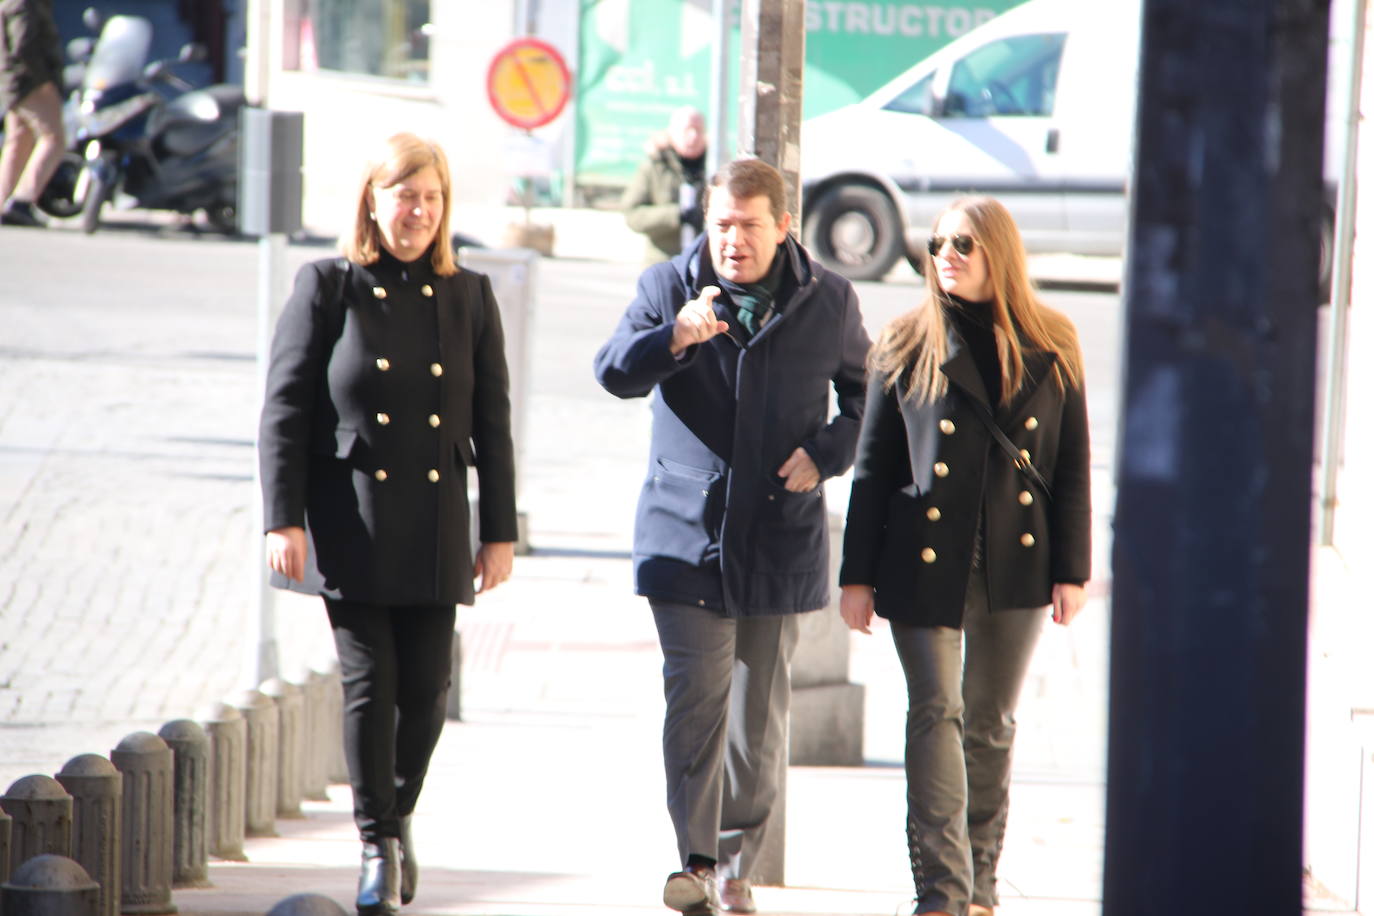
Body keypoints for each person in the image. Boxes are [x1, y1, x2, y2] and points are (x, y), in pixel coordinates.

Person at [595, 157, 871, 916]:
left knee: (757, 715)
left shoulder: (830, 300)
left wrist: (825, 455)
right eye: (720, 224)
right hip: (686, 537)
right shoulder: (667, 288)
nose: (732, 239)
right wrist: (673, 339)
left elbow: (867, 398)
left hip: (779, 536)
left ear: (783, 226)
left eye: (748, 225)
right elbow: (613, 371)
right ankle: (694, 861)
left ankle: (737, 864)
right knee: (697, 702)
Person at [258, 132, 517, 916]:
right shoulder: (327, 285)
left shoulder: (469, 295)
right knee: (371, 686)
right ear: (373, 201)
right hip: (353, 520)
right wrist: (283, 518)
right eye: (405, 196)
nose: (418, 211)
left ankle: (397, 815)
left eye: (431, 198)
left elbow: (494, 422)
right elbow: (286, 408)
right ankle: (374, 845)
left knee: (428, 694)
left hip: (437, 522)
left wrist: (497, 531)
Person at [838, 196, 1091, 916]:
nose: (945, 253)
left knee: (989, 725)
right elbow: (874, 468)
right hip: (924, 560)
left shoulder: (1055, 342)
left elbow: (1071, 465)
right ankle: (942, 892)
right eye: (938, 242)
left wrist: (1072, 569)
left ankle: (981, 884)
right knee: (934, 712)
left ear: (999, 255)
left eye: (964, 244)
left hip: (1017, 565)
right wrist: (856, 576)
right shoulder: (903, 341)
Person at [0, 0, 66, 227]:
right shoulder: (25, 3)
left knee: (18, 141)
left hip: (10, 80)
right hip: (29, 80)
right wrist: (44, 81)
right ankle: (22, 201)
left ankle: (4, 201)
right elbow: (23, 46)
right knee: (53, 138)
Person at [622, 106, 707, 265]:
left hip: (703, 265)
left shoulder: (714, 167)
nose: (693, 136)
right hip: (663, 263)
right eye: (687, 129)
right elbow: (632, 214)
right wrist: (677, 215)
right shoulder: (654, 166)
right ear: (672, 133)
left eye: (698, 130)